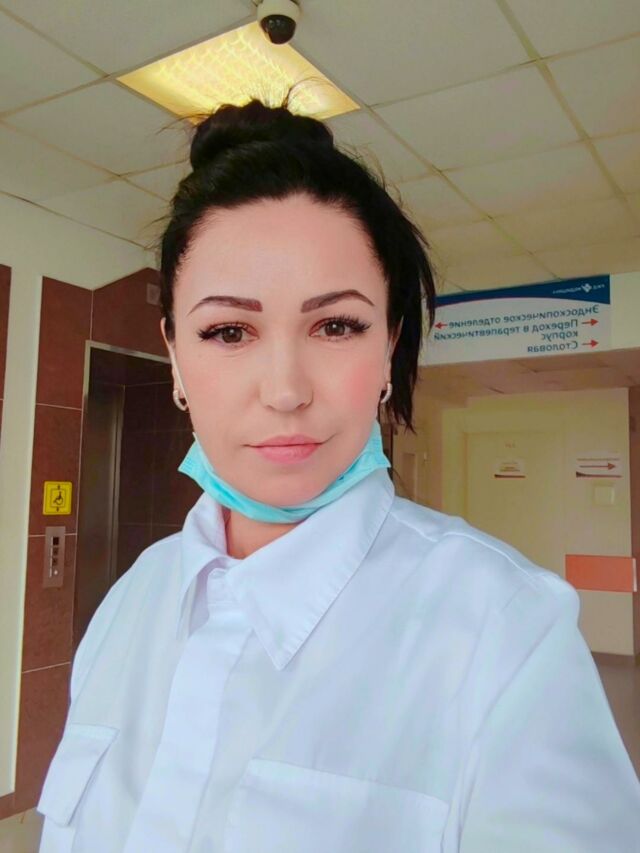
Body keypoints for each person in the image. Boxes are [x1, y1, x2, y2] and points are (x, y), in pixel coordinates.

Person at [37, 96, 640, 853]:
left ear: (387, 349)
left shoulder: (504, 631)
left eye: (335, 325)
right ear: (176, 358)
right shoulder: (129, 605)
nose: (285, 390)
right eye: (229, 331)